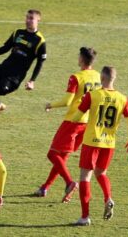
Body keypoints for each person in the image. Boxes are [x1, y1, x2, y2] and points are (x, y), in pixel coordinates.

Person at [74, 66, 128, 226]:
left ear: (101, 79)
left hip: (91, 142)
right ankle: (108, 197)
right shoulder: (123, 98)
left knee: (85, 177)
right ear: (113, 79)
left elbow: (76, 117)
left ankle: (84, 216)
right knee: (101, 173)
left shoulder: (93, 95)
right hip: (109, 143)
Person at [34, 47, 100, 202]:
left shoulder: (76, 77)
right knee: (62, 157)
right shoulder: (97, 76)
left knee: (53, 154)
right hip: (88, 123)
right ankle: (45, 187)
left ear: (82, 59)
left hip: (73, 121)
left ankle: (70, 182)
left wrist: (50, 104)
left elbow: (67, 101)